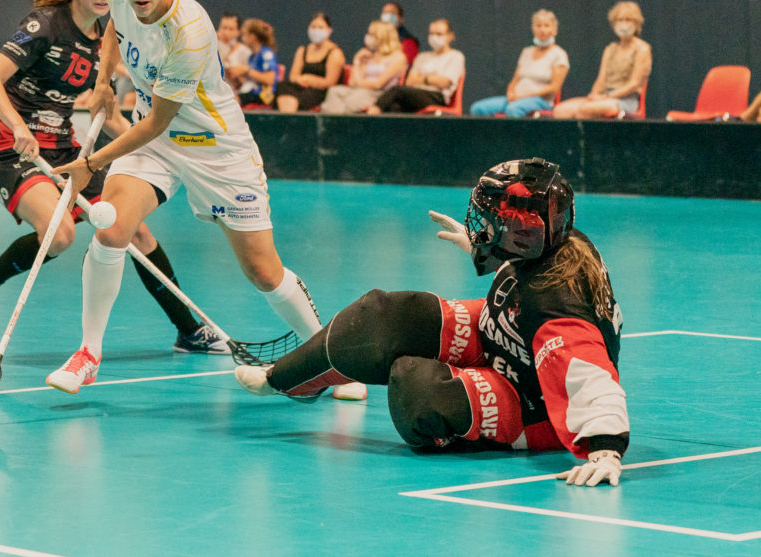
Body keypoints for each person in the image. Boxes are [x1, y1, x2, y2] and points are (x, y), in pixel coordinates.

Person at [47, 0, 364, 401]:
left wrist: (90, 162)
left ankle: (330, 360)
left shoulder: (190, 31)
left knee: (262, 270)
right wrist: (102, 80)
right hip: (155, 144)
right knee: (112, 229)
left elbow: (156, 122)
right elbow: (114, 26)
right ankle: (88, 354)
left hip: (214, 149)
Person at [235, 158, 629, 488]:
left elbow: (589, 373)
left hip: (529, 399)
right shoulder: (552, 244)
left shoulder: (556, 311)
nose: (482, 223)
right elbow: (523, 279)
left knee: (416, 389)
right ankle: (281, 379)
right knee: (383, 316)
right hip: (505, 334)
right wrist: (483, 246)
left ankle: (468, 407)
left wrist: (605, 449)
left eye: (492, 221)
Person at [0, 0, 224, 354]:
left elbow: (108, 112)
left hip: (63, 149)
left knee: (132, 229)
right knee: (59, 235)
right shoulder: (44, 24)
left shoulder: (105, 37)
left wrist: (151, 141)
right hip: (11, 146)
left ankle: (189, 331)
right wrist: (18, 126)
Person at [554, 2, 651, 119]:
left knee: (586, 110)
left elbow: (634, 84)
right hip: (604, 97)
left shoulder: (642, 49)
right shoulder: (610, 49)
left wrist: (607, 96)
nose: (623, 24)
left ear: (636, 23)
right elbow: (601, 80)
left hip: (626, 100)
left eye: (628, 20)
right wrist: (594, 95)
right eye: (620, 20)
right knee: (561, 110)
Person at [469, 10, 568, 117]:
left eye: (546, 26)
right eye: (538, 26)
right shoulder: (526, 52)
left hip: (540, 101)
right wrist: (510, 93)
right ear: (533, 29)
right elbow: (516, 78)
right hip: (516, 98)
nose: (542, 30)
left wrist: (524, 96)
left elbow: (554, 88)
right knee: (478, 109)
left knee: (513, 110)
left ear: (554, 30)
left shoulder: (559, 54)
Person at [368, 18, 465, 114]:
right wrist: (432, 79)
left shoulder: (456, 56)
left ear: (450, 36)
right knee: (394, 107)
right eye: (431, 34)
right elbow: (409, 81)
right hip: (416, 94)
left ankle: (372, 114)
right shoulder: (422, 56)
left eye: (439, 34)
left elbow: (445, 82)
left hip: (437, 97)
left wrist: (422, 79)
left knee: (396, 90)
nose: (434, 37)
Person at [319, 20, 407, 114]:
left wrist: (360, 83)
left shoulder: (398, 57)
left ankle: (340, 123)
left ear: (382, 37)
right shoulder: (367, 55)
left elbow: (377, 84)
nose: (368, 37)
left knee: (352, 99)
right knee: (334, 91)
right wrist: (357, 61)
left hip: (379, 94)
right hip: (359, 90)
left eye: (372, 34)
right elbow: (352, 82)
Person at [274, 12, 345, 113]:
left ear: (329, 31)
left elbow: (330, 82)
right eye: (313, 27)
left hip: (319, 93)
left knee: (302, 95)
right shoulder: (302, 50)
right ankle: (287, 117)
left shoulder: (335, 53)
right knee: (283, 86)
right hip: (299, 87)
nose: (316, 30)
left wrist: (309, 79)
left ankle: (290, 120)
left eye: (320, 27)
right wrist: (302, 80)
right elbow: (293, 76)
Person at [236, 18, 278, 108]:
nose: (242, 39)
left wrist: (246, 71)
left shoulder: (266, 54)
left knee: (234, 99)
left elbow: (270, 79)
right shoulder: (252, 57)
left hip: (262, 96)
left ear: (252, 37)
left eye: (244, 35)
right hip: (250, 93)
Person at [217, 13, 252, 91]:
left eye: (231, 29)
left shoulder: (245, 52)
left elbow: (246, 83)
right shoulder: (212, 47)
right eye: (224, 28)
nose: (226, 32)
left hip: (234, 94)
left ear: (238, 32)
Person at [382, 2, 420, 66]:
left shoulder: (408, 42)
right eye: (385, 13)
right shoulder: (377, 39)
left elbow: (405, 66)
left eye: (392, 13)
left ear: (401, 19)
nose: (388, 16)